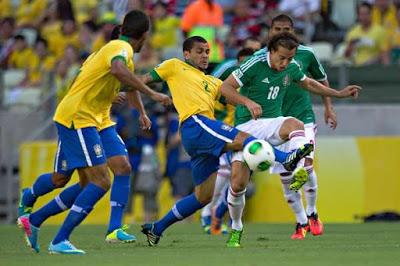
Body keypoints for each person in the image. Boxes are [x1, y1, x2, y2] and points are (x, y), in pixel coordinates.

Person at [17, 10, 171, 255]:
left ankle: (112, 229)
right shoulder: (119, 48)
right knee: (87, 181)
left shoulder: (118, 55)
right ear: (144, 36)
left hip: (97, 119)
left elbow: (125, 81)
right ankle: (55, 235)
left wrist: (141, 111)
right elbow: (119, 71)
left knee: (120, 167)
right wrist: (153, 94)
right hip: (77, 119)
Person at [139, 35, 314, 247]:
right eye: (199, 51)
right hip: (195, 123)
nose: (205, 55)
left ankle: (157, 228)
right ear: (186, 54)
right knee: (247, 140)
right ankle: (286, 159)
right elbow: (141, 80)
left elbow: (230, 97)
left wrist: (253, 99)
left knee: (203, 197)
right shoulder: (174, 66)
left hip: (202, 136)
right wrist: (141, 95)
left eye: (207, 51)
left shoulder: (212, 82)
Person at [220, 32, 361, 247]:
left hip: (272, 122)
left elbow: (311, 84)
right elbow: (225, 88)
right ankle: (236, 228)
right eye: (282, 58)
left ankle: (297, 167)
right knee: (238, 184)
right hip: (246, 128)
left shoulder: (291, 66)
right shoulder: (254, 62)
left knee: (295, 124)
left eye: (289, 58)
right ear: (271, 51)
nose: (286, 63)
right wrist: (247, 102)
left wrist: (338, 94)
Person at [262, 14, 336, 239]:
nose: (282, 32)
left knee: (305, 166)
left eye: (287, 28)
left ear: (294, 31)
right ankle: (301, 222)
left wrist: (328, 108)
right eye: (277, 29)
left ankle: (313, 212)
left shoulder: (306, 54)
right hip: (275, 124)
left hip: (303, 119)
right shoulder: (260, 57)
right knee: (286, 177)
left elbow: (321, 80)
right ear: (270, 31)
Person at [201, 47, 256, 234]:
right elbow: (210, 96)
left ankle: (214, 216)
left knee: (241, 181)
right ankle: (208, 215)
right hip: (227, 133)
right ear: (238, 63)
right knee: (226, 172)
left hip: (246, 133)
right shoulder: (226, 84)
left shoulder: (256, 82)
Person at [345, 2, 390, 66]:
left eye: (366, 14)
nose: (364, 17)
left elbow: (385, 54)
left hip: (374, 67)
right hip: (357, 68)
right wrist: (350, 45)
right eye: (361, 14)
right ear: (358, 16)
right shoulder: (352, 32)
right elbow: (347, 56)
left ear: (371, 14)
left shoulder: (380, 31)